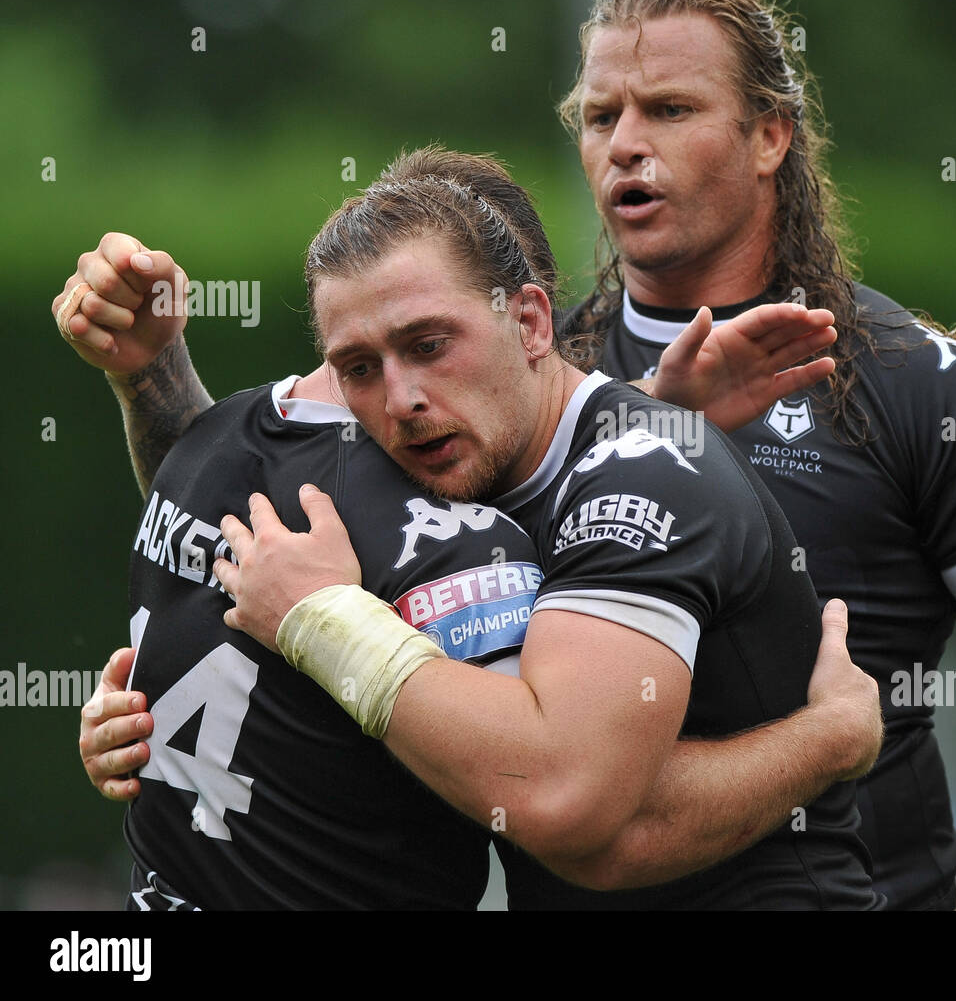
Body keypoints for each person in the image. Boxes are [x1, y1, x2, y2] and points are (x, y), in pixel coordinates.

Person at [65, 149, 882, 909]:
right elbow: (232, 550)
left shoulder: (642, 472)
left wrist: (826, 739)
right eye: (357, 366)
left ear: (530, 322)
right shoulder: (431, 460)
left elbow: (569, 812)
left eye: (430, 343)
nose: (401, 397)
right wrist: (156, 712)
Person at [553, 0, 956, 909]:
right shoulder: (525, 392)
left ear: (770, 135)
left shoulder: (919, 387)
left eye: (671, 109)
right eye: (602, 118)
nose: (627, 146)